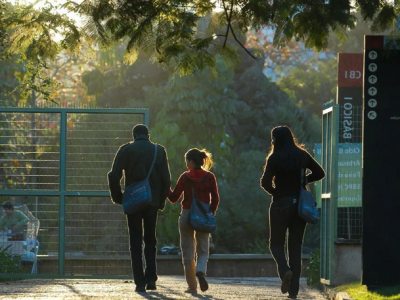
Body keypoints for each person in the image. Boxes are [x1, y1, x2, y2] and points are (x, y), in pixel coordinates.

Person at [260, 126, 325, 299]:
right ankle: (294, 292)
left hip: (280, 204)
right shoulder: (302, 154)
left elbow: (265, 182)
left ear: (275, 139)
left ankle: (284, 271)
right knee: (295, 247)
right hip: (299, 206)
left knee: (275, 244)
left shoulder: (274, 157)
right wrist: (303, 181)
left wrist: (277, 193)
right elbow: (320, 172)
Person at [107, 124, 171, 293]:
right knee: (150, 239)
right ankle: (151, 278)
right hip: (152, 202)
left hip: (133, 201)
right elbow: (166, 179)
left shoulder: (126, 149)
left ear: (134, 135)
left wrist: (118, 197)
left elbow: (114, 175)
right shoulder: (159, 151)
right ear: (148, 135)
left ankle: (139, 282)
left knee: (135, 241)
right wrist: (160, 201)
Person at [168, 148, 219, 294]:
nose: (186, 164)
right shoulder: (210, 176)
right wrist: (210, 212)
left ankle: (192, 287)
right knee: (203, 250)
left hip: (187, 214)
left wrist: (166, 188)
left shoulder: (185, 177)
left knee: (187, 252)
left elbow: (173, 198)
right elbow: (215, 198)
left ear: (191, 161)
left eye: (187, 161)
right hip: (203, 215)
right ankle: (201, 271)